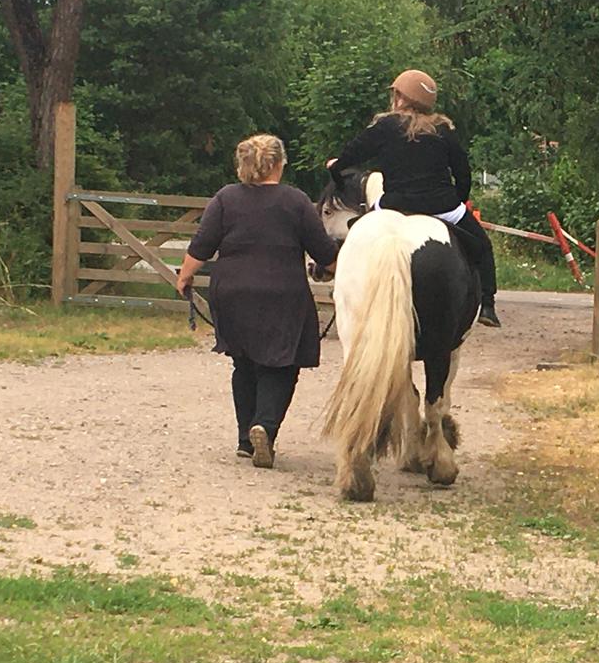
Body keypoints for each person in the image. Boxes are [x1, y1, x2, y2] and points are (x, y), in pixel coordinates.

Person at [177, 134, 338, 469]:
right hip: (282, 293)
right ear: (278, 164)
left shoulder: (225, 198)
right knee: (281, 365)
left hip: (232, 292)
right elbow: (325, 253)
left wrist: (185, 277)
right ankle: (264, 427)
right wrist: (345, 274)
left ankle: (244, 441)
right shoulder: (296, 201)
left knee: (244, 362)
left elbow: (202, 244)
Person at [326, 69, 501, 327]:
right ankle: (487, 305)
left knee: (356, 235)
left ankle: (342, 286)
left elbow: (353, 153)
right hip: (441, 205)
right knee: (483, 246)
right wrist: (457, 200)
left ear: (400, 97)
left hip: (394, 206)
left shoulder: (385, 126)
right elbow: (463, 172)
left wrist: (336, 166)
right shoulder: (442, 128)